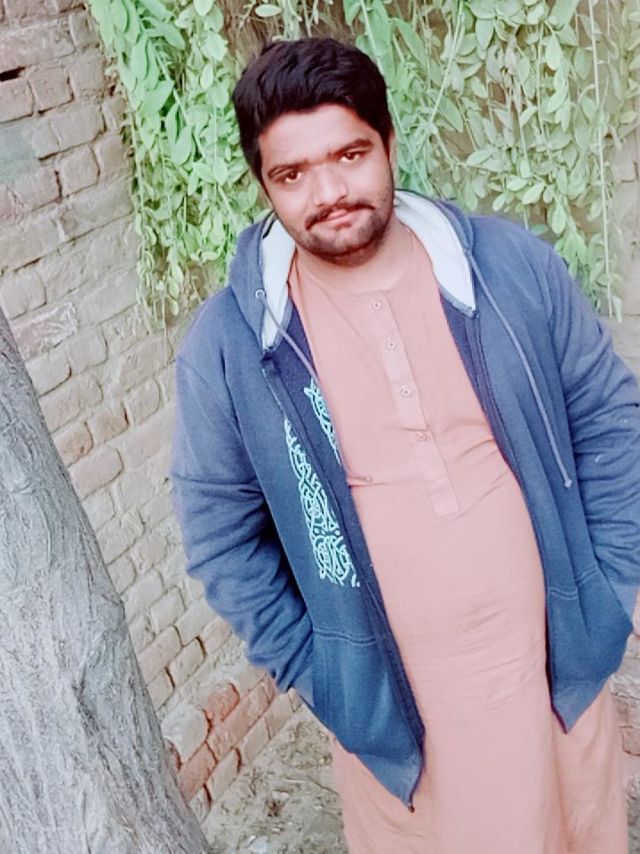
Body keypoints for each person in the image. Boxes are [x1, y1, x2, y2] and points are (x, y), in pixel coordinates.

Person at [170, 37, 640, 853]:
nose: (328, 193)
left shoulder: (505, 269)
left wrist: (611, 587)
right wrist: (328, 676)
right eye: (293, 174)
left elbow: (609, 421)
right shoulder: (234, 346)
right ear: (264, 186)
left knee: (575, 828)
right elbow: (220, 536)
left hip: (552, 667)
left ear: (389, 143)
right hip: (399, 716)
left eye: (348, 155)